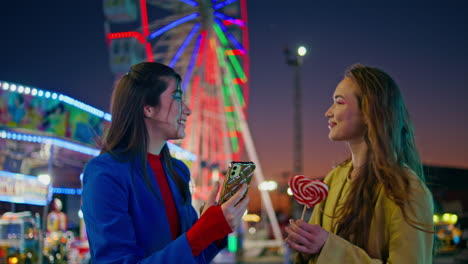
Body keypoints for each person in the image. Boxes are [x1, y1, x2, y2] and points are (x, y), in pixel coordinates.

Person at [81, 62, 249, 263]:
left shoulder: (177, 172)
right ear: (148, 108)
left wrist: (216, 228)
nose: (187, 110)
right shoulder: (105, 174)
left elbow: (192, 257)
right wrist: (203, 231)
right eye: (177, 98)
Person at [285, 64, 434, 263]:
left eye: (339, 102)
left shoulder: (407, 190)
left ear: (369, 112)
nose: (328, 112)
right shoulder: (333, 178)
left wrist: (328, 247)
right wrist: (303, 247)